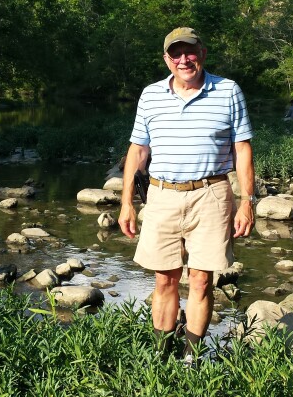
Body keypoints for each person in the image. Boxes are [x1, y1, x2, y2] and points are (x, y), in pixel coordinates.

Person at [118, 27, 256, 364]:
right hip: (161, 195)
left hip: (211, 194)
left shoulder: (228, 91)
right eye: (175, 53)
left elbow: (242, 149)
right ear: (166, 59)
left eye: (190, 52)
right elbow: (137, 150)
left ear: (202, 53)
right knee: (164, 279)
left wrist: (247, 202)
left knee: (200, 280)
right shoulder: (150, 95)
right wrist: (126, 203)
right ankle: (161, 357)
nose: (184, 59)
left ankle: (190, 358)